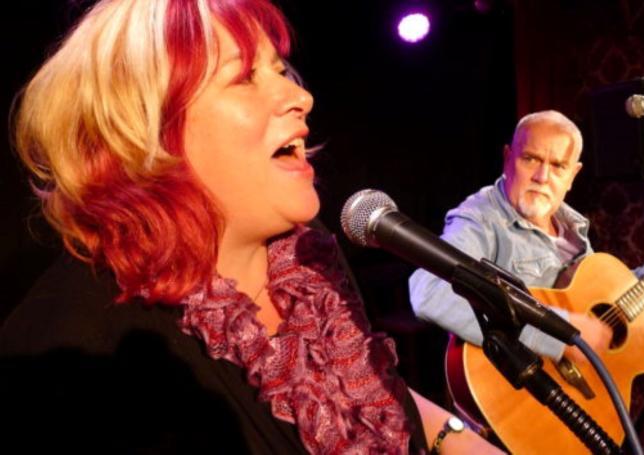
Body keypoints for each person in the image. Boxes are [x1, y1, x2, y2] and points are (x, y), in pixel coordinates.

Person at [0, 0, 500, 453]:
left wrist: (456, 440)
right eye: (244, 77)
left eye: (281, 71)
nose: (299, 97)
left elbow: (366, 397)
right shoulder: (72, 346)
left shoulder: (308, 254)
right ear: (145, 132)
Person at [409, 110, 644, 364]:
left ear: (573, 175)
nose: (542, 177)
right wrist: (557, 336)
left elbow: (601, 308)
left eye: (558, 166)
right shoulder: (481, 218)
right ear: (507, 158)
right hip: (513, 399)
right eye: (530, 159)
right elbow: (429, 291)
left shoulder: (572, 228)